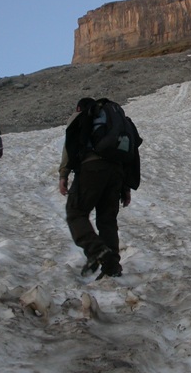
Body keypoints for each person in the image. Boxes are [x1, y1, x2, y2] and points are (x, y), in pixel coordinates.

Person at [58, 97, 140, 279]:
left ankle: (97, 250)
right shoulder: (117, 122)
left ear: (79, 107)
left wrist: (64, 174)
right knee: (107, 220)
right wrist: (126, 187)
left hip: (92, 168)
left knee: (76, 212)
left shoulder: (85, 114)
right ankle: (112, 268)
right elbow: (131, 153)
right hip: (117, 172)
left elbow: (70, 145)